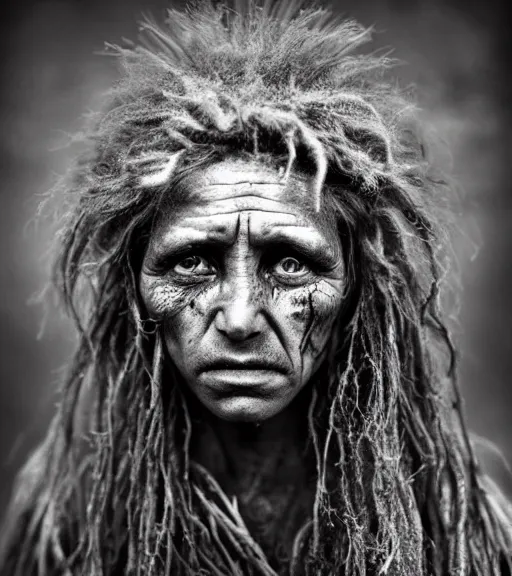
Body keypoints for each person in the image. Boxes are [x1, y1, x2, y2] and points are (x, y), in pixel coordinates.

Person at [1, 2, 511, 575]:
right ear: (134, 289)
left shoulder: (452, 532)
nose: (240, 318)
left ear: (356, 294)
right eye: (192, 262)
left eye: (291, 264)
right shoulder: (73, 527)